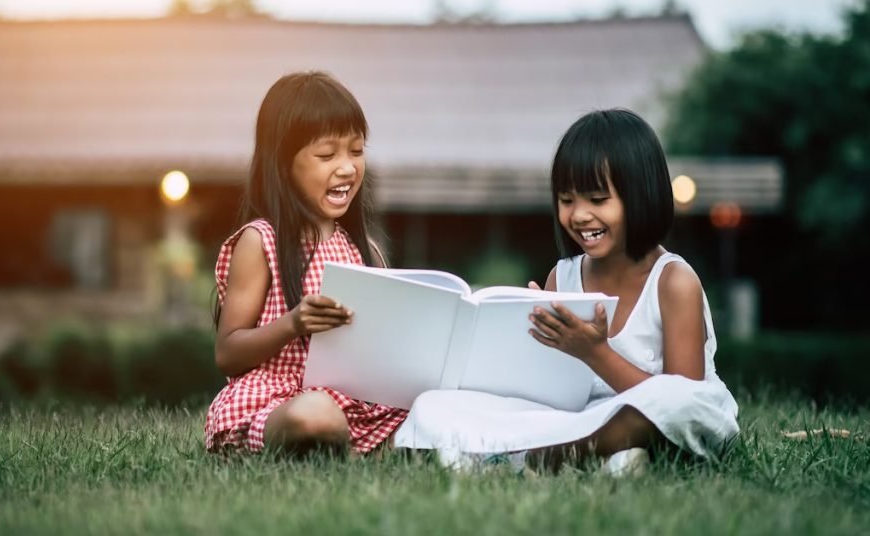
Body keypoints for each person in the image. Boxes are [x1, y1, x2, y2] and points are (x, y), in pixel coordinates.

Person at [393, 109, 739, 474]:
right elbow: (546, 397)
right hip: (579, 418)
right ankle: (608, 456)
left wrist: (596, 353)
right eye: (567, 199)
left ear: (640, 196)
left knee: (677, 403)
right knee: (435, 403)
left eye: (597, 199)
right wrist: (521, 331)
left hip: (653, 418)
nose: (579, 215)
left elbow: (680, 397)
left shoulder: (673, 281)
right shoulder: (563, 277)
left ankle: (542, 456)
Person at [205, 71, 407, 455]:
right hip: (280, 399)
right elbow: (227, 353)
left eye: (357, 150)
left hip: (353, 401)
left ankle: (348, 446)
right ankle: (347, 448)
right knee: (316, 414)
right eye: (327, 155)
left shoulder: (367, 251)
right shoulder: (261, 241)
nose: (347, 168)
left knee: (436, 410)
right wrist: (292, 323)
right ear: (284, 164)